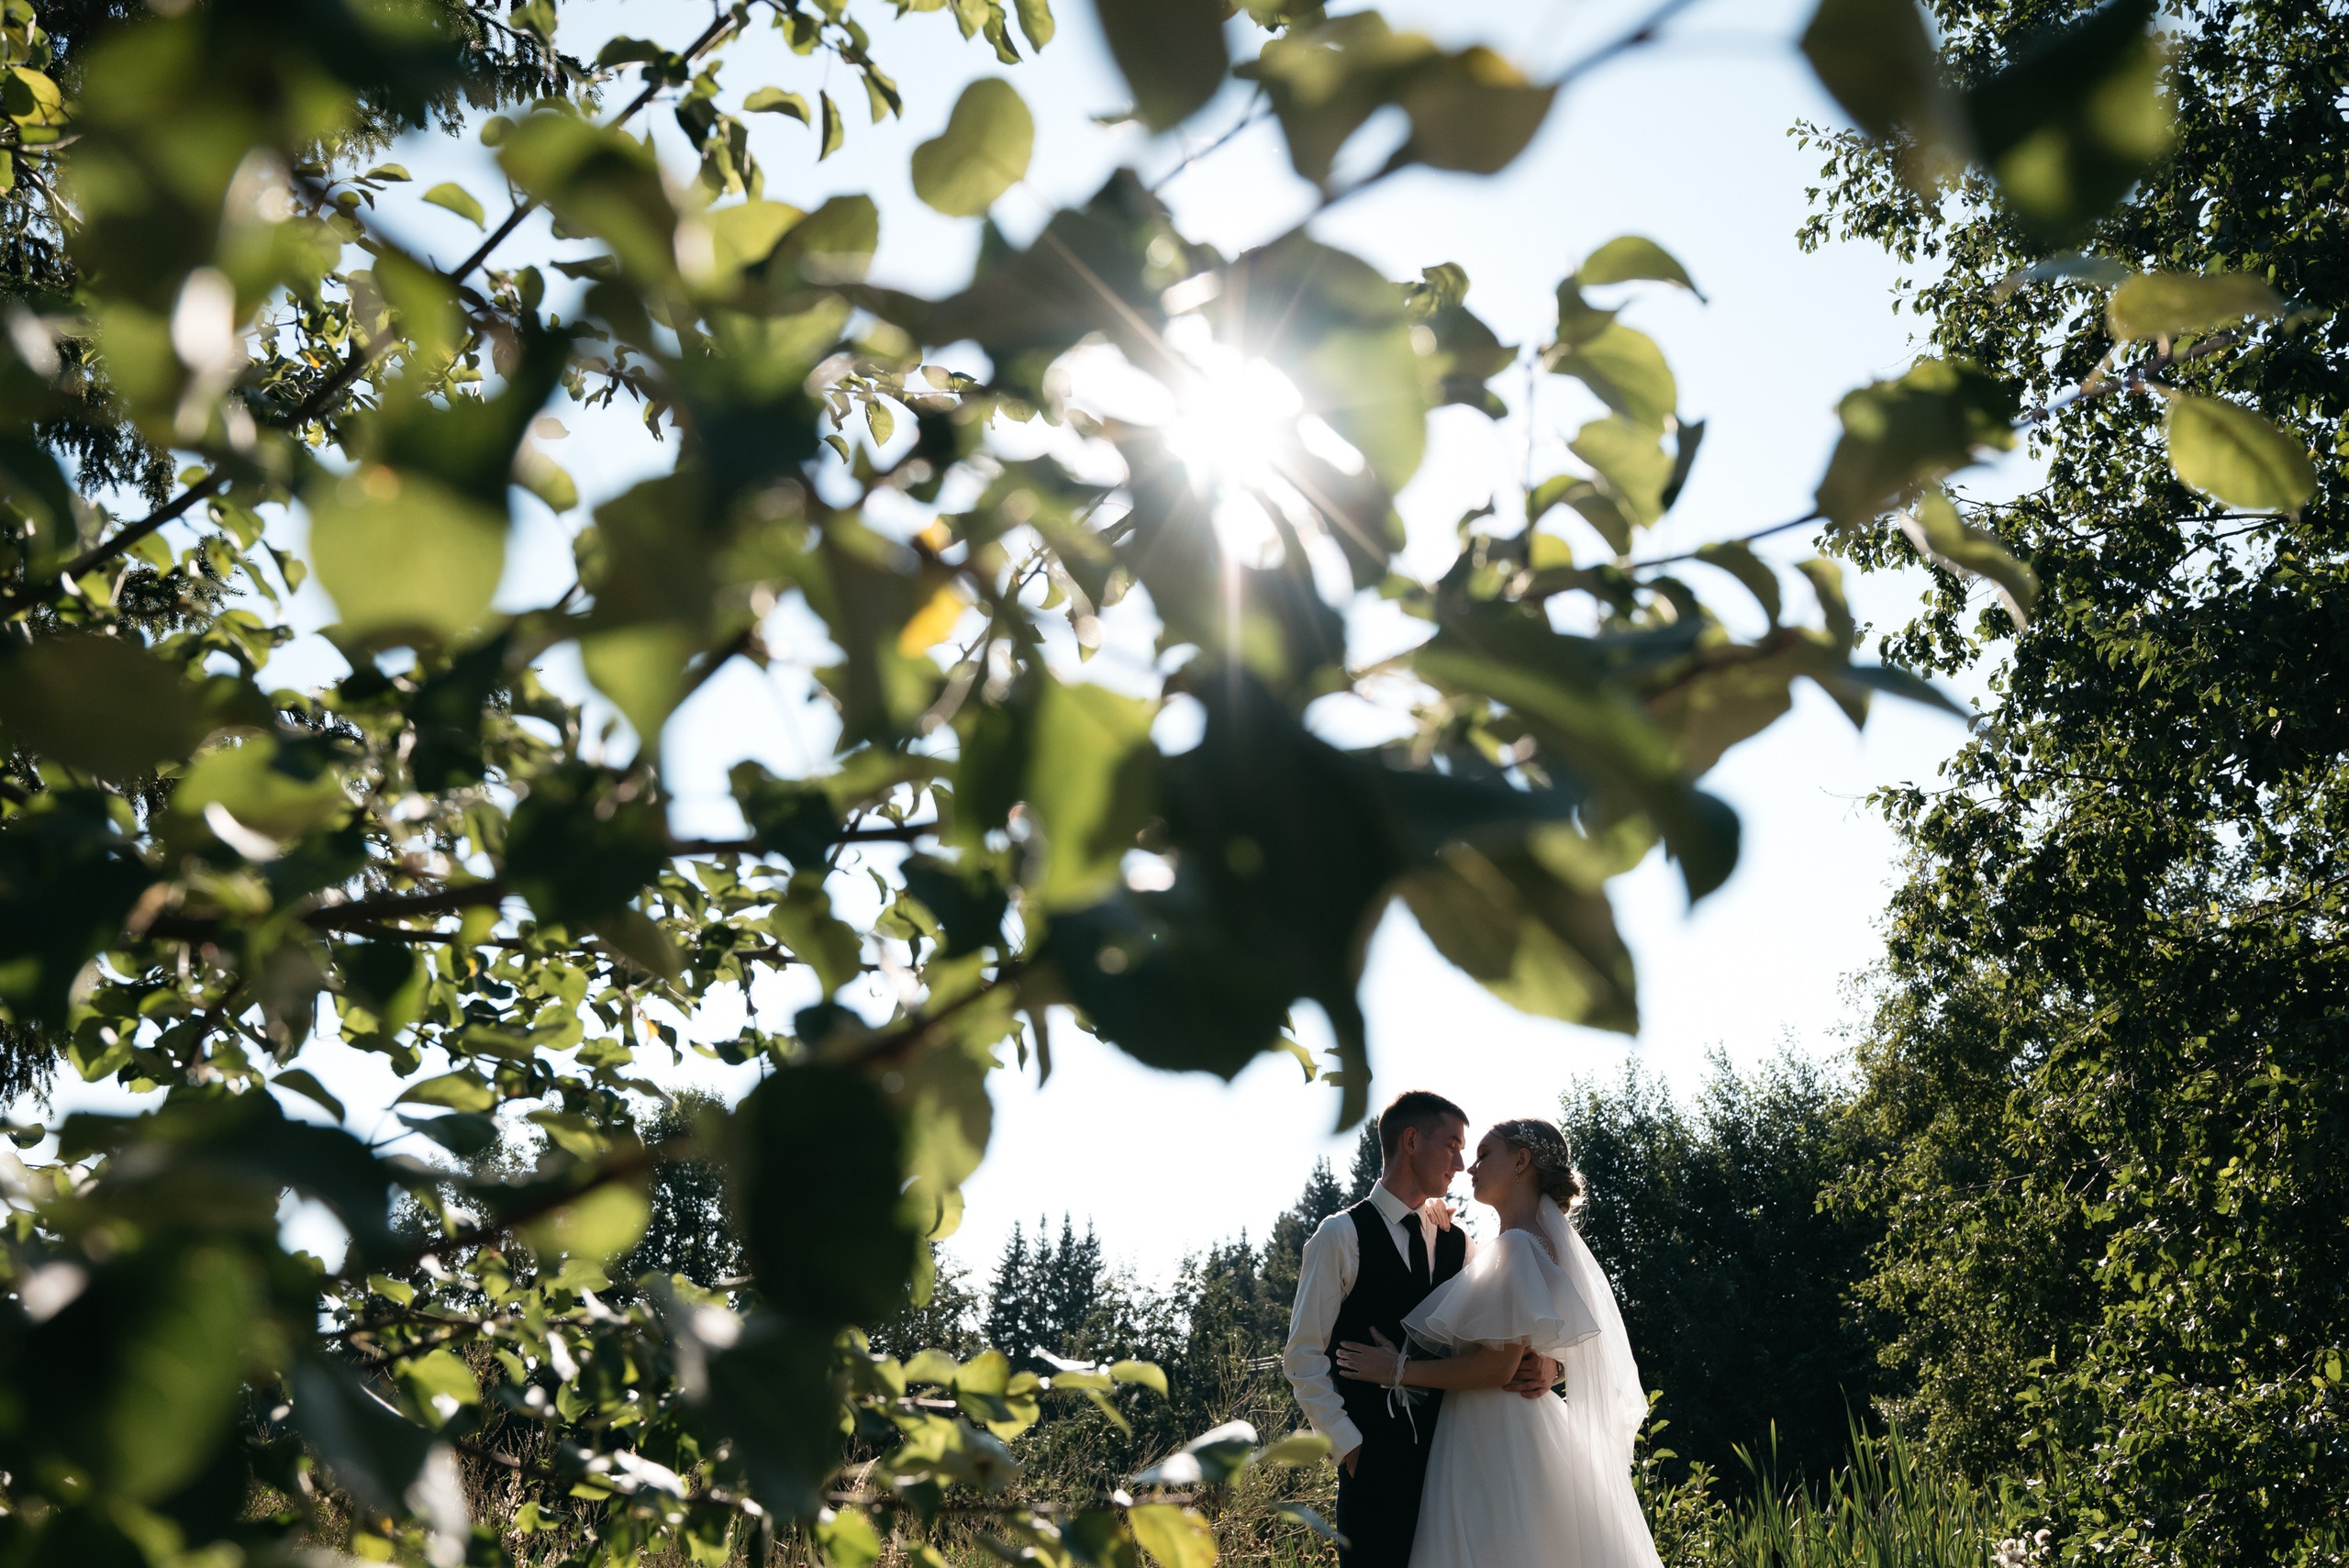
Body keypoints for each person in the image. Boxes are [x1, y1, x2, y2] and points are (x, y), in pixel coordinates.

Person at [1333, 1118, 1664, 1568]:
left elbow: (1498, 1368)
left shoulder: (1517, 1247)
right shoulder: (1538, 1244)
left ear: (1521, 1162)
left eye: (1485, 1154)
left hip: (1491, 1433)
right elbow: (1552, 1337)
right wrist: (1552, 1365)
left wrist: (1394, 1370)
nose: (1470, 1166)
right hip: (1523, 1426)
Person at [1282, 1093, 1563, 1568]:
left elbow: (1504, 1334)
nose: (1461, 1164)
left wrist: (1548, 1365)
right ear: (1411, 1140)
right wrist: (1349, 1445)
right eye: (1452, 1145)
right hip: (1374, 1472)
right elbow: (1303, 1356)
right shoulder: (1340, 1235)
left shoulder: (1461, 1244)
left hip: (1457, 1468)